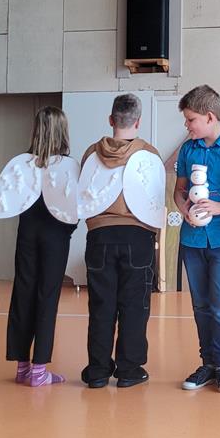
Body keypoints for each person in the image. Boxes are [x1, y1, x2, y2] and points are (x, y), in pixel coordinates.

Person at [0, 107, 80, 386]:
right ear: (63, 131)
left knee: (23, 294)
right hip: (55, 237)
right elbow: (74, 209)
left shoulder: (22, 164)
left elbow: (11, 200)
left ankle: (22, 366)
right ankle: (39, 370)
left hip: (27, 235)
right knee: (47, 296)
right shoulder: (68, 165)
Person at [75, 94, 166, 389]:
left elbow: (84, 194)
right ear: (137, 122)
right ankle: (129, 369)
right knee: (134, 305)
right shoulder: (149, 153)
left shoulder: (91, 153)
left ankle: (98, 370)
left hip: (99, 235)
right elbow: (155, 198)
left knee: (101, 305)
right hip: (137, 236)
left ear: (111, 120)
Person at [173, 85, 220, 394]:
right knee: (201, 305)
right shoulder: (187, 149)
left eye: (191, 119)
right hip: (192, 240)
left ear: (210, 117)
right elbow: (179, 191)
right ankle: (208, 363)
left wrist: (218, 207)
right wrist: (184, 209)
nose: (187, 125)